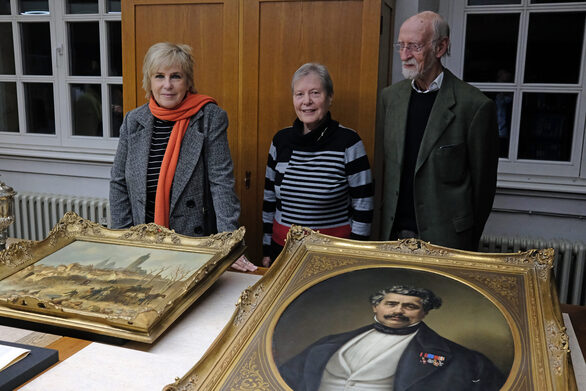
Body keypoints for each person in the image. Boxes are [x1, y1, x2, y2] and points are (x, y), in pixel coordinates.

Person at [109, 42, 255, 272]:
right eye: (159, 76)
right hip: (141, 245)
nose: (167, 85)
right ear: (149, 81)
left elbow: (221, 183)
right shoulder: (133, 120)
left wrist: (230, 242)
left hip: (192, 245)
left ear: (188, 82)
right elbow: (119, 183)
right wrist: (122, 239)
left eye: (175, 76)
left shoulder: (209, 118)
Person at [379, 11, 499, 251]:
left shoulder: (474, 106)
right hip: (393, 236)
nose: (404, 55)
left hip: (446, 242)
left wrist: (466, 241)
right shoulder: (390, 98)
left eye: (413, 46)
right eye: (400, 46)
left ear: (441, 47)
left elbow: (482, 190)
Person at [278, 285, 506, 391]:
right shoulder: (330, 343)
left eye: (409, 306)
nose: (398, 311)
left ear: (424, 312)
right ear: (376, 307)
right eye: (391, 304)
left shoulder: (464, 360)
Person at [262, 63, 374, 266]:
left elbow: (363, 205)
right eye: (299, 94)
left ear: (330, 97)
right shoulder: (281, 140)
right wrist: (267, 249)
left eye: (315, 93)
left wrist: (358, 256)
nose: (307, 102)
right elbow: (269, 200)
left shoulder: (349, 142)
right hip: (283, 251)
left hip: (333, 254)